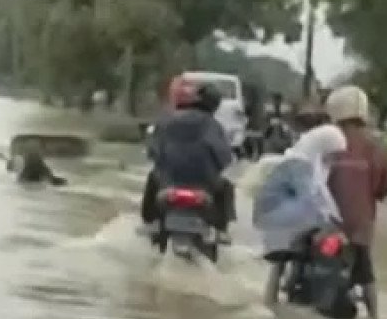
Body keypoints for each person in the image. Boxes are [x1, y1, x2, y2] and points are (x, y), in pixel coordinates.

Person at [251, 123, 348, 306]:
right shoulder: (299, 164)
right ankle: (270, 301)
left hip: (297, 216)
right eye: (334, 154)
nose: (335, 159)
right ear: (323, 146)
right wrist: (326, 221)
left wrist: (335, 219)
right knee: (280, 261)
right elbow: (309, 197)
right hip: (281, 218)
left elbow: (322, 196)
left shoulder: (317, 164)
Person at [324, 85, 387, 319]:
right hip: (359, 224)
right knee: (365, 272)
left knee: (295, 252)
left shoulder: (326, 139)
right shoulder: (378, 145)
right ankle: (374, 318)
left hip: (324, 220)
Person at [140, 78, 237, 242]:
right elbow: (224, 157)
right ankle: (222, 231)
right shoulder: (213, 125)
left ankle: (151, 222)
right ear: (215, 106)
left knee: (151, 179)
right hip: (204, 184)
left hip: (168, 181)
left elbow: (153, 150)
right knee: (227, 187)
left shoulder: (167, 120)